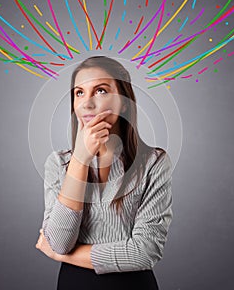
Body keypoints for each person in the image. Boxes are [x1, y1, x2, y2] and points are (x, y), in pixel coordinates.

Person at [35, 56, 173, 290]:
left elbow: (145, 252)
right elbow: (59, 241)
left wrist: (65, 257)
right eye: (79, 93)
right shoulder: (58, 164)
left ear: (125, 102)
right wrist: (80, 159)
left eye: (100, 90)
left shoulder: (154, 163)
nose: (86, 103)